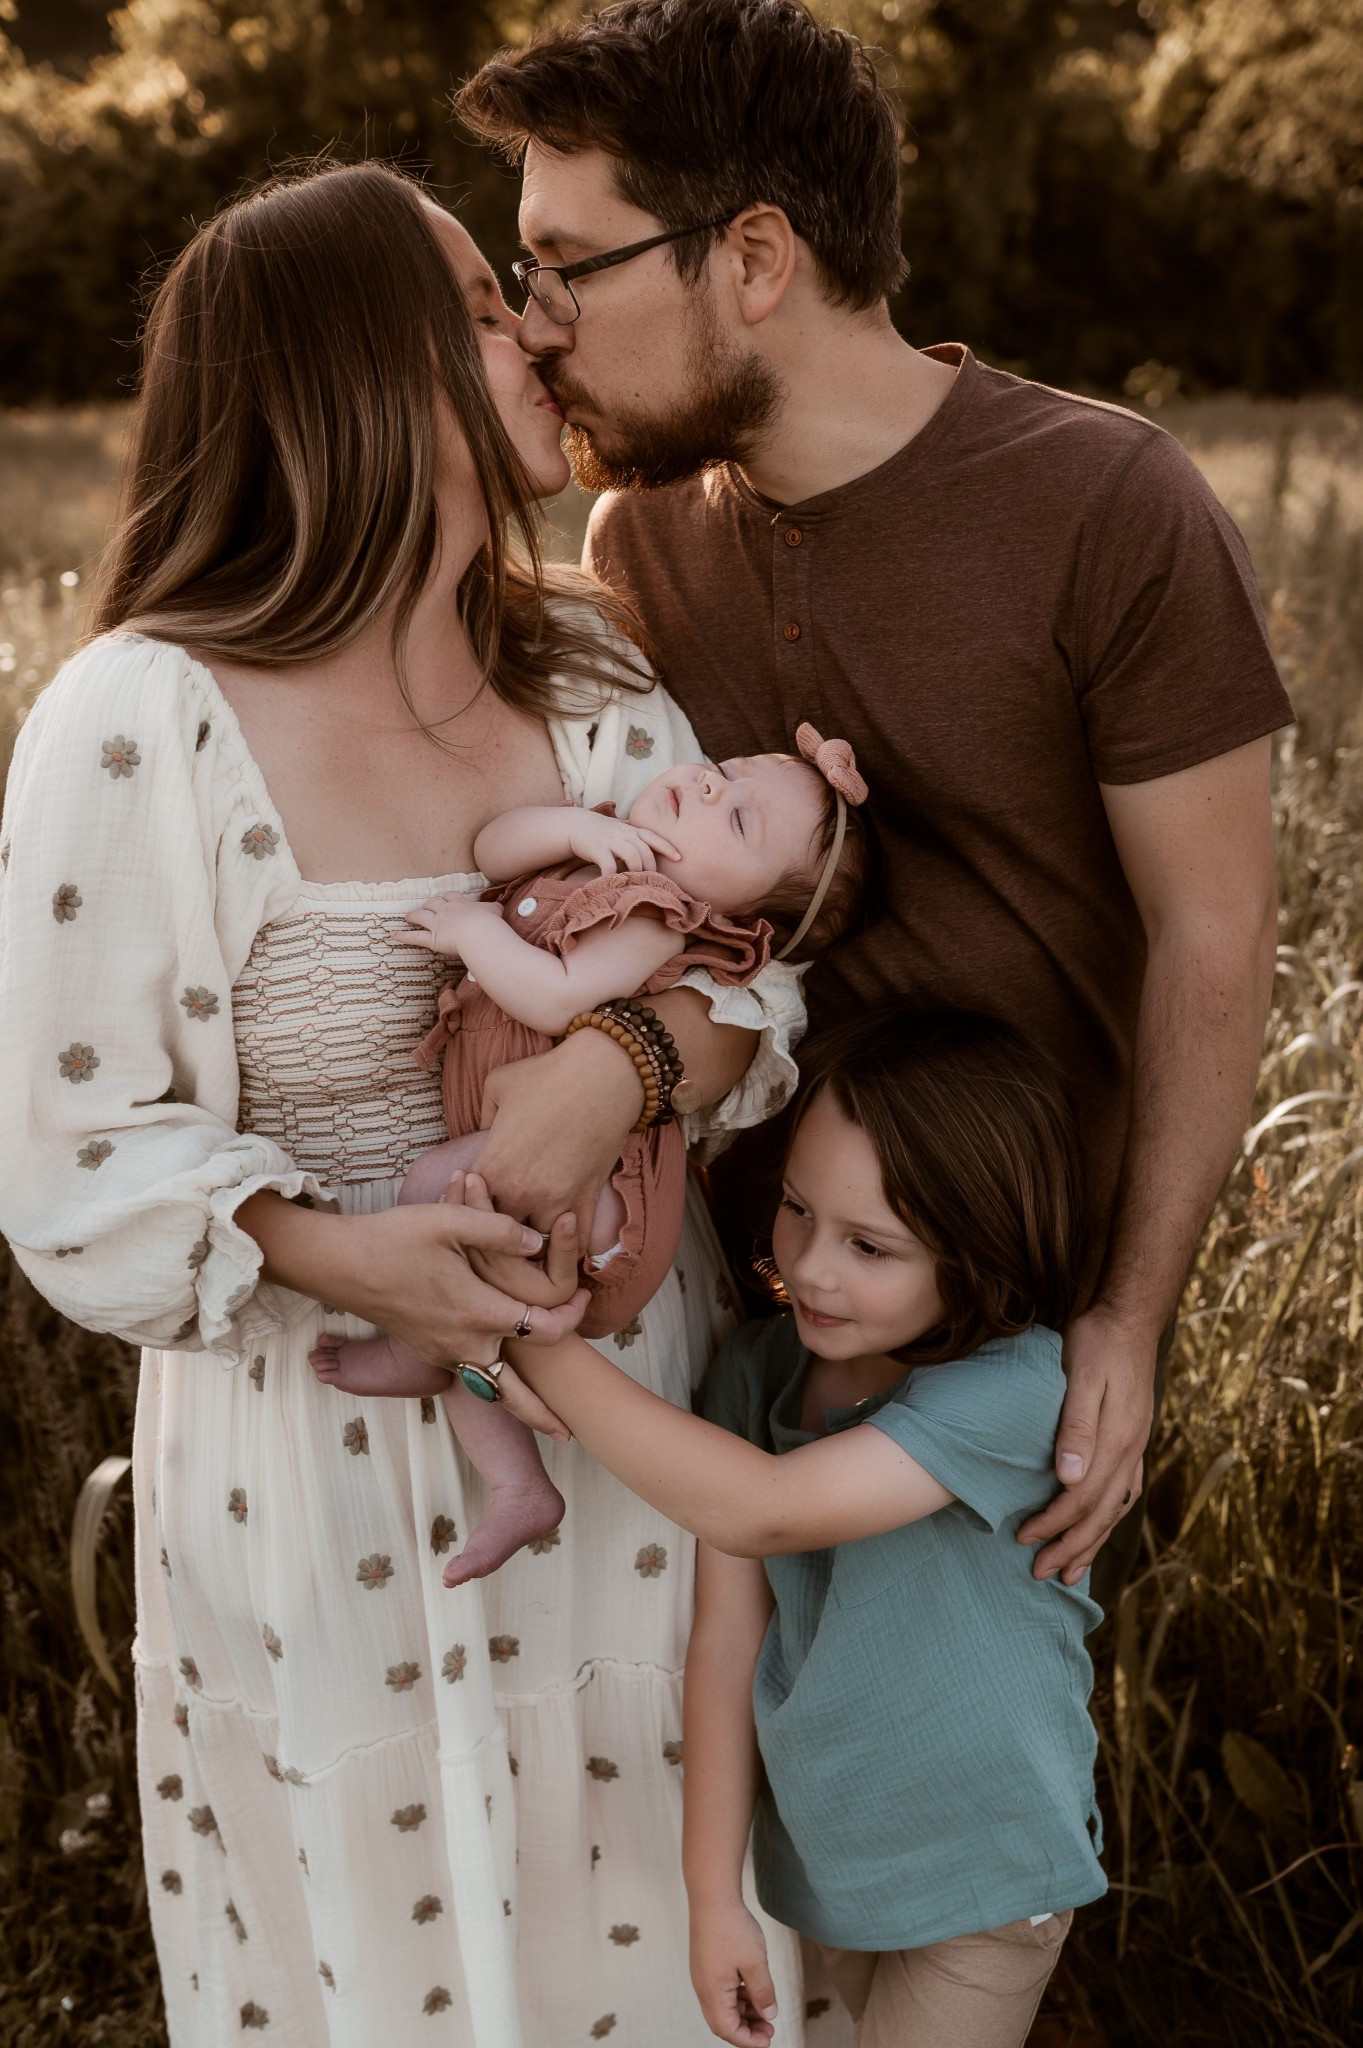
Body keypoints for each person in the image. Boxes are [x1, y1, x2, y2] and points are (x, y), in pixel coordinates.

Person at [0, 160, 813, 2046]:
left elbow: (752, 989)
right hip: (317, 1482)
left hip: (633, 1430)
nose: (536, 323)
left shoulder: (595, 666)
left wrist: (599, 1081)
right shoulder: (141, 716)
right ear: (346, 370)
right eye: (472, 300)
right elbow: (70, 1148)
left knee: (672, 1934)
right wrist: (350, 1253)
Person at [456, 0, 1294, 1618]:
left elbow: (1216, 929)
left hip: (1012, 1346)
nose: (539, 321)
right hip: (730, 1324)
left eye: (572, 265)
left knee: (957, 1817)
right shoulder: (638, 540)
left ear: (753, 255)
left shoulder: (1111, 505)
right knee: (721, 1835)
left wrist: (1121, 1321)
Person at [483, 1006, 1107, 2048]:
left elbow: (763, 1509)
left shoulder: (1013, 1389)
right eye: (796, 1209)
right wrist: (712, 1895)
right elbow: (727, 1640)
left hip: (985, 1867)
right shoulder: (755, 1372)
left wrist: (523, 1333)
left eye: (870, 1245)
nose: (811, 1266)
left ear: (981, 1247)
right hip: (836, 1857)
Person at [311, 725, 869, 1584]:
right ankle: (515, 1478)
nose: (708, 789)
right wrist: (573, 831)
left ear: (751, 915)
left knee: (434, 1196)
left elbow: (555, 991)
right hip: (520, 1134)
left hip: (604, 1189)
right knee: (457, 1233)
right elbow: (491, 844)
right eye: (720, 774)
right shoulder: (604, 851)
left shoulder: (658, 923)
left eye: (741, 824)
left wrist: (473, 934)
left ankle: (466, 1413)